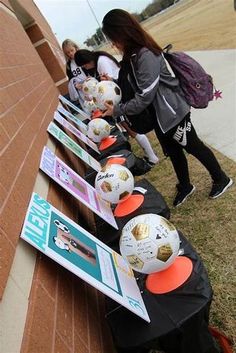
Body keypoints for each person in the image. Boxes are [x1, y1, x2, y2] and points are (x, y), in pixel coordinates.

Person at [101, 9, 233, 207]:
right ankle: (186, 186)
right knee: (173, 151)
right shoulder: (134, 55)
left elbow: (145, 95)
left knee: (193, 145)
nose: (113, 43)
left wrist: (118, 110)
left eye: (113, 38)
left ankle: (221, 178)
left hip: (173, 113)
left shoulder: (145, 55)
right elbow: (138, 85)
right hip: (161, 117)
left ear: (122, 32)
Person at [74, 49, 159, 166]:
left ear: (88, 60)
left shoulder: (101, 62)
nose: (86, 68)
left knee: (132, 129)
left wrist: (95, 94)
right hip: (118, 100)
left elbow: (109, 86)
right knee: (131, 128)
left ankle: (152, 157)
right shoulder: (99, 62)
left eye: (85, 65)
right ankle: (151, 155)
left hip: (120, 100)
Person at [61, 39, 87, 107]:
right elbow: (71, 80)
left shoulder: (84, 56)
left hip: (92, 85)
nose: (70, 53)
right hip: (82, 92)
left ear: (75, 48)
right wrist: (75, 85)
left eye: (72, 50)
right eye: (68, 52)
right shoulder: (69, 65)